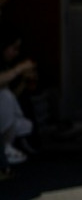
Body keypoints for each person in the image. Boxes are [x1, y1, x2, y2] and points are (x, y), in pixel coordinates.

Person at [0, 22, 36, 176]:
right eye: (13, 48)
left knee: (10, 98)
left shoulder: (8, 64)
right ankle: (5, 146)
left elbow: (13, 97)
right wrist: (18, 70)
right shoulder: (10, 68)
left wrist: (24, 80)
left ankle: (8, 145)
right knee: (6, 96)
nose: (16, 53)